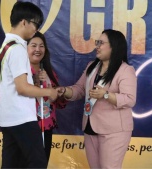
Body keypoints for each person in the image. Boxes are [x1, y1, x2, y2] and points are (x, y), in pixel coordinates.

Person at [57, 29, 137, 168]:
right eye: (97, 42)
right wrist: (65, 91)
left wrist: (105, 95)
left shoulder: (125, 70)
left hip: (115, 131)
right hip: (90, 127)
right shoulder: (92, 67)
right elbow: (80, 89)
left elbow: (130, 99)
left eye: (101, 43)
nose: (97, 46)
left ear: (114, 46)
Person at [0, 2, 58, 168]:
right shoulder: (17, 49)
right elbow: (22, 87)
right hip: (21, 117)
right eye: (35, 24)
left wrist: (34, 83)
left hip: (7, 118)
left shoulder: (5, 47)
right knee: (38, 162)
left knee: (11, 164)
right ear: (24, 22)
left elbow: (14, 83)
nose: (36, 30)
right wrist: (48, 92)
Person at [27, 31, 67, 163]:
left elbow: (59, 103)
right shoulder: (21, 71)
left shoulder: (49, 72)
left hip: (46, 127)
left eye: (41, 46)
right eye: (33, 45)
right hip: (26, 127)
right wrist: (34, 80)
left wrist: (58, 92)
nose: (38, 49)